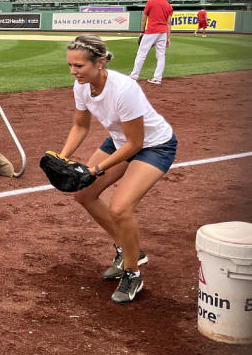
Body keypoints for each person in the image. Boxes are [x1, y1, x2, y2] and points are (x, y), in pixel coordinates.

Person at [59, 34, 177, 304]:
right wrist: (63, 157)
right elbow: (80, 126)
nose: (73, 71)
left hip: (154, 146)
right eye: (70, 65)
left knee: (120, 207)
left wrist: (96, 169)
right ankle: (128, 249)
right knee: (84, 194)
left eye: (79, 66)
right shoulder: (82, 86)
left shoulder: (124, 89)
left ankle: (133, 273)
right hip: (120, 142)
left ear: (99, 62)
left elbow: (136, 143)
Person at [130, 0, 174, 85]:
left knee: (141, 53)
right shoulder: (169, 6)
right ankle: (157, 78)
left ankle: (134, 76)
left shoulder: (151, 2)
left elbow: (144, 18)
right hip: (163, 32)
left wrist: (142, 31)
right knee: (161, 55)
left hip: (151, 31)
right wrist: (168, 38)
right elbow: (169, 23)